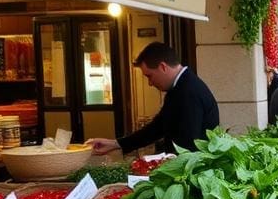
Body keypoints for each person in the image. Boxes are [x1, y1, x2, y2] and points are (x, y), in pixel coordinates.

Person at [89, 42, 219, 156]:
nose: (150, 83)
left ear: (163, 67)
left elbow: (187, 145)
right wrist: (116, 144)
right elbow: (158, 127)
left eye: (149, 76)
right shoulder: (180, 87)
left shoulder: (188, 92)